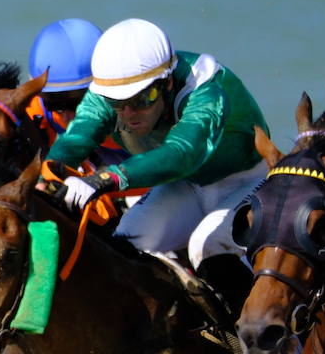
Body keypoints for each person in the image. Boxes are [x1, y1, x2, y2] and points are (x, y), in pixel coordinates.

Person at [47, 17, 269, 312]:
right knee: (125, 244)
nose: (129, 114)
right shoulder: (105, 95)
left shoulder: (206, 89)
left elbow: (183, 153)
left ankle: (264, 347)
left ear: (166, 83)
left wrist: (105, 179)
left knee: (207, 245)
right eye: (117, 104)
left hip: (248, 180)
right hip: (186, 185)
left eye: (143, 99)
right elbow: (75, 140)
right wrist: (48, 175)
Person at [24, 18, 126, 167]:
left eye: (76, 103)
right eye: (54, 104)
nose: (66, 117)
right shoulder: (38, 106)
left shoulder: (135, 107)